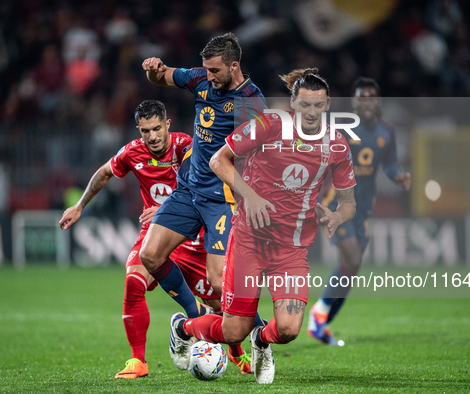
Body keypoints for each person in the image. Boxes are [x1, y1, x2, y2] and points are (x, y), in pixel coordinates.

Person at [168, 68, 357, 384]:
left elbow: (349, 202)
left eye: (319, 105)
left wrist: (337, 216)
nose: (312, 112)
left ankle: (262, 341)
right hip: (249, 243)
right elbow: (218, 160)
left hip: (291, 250)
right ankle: (183, 328)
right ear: (293, 103)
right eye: (305, 105)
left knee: (289, 329)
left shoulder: (336, 145)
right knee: (232, 331)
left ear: (327, 106)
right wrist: (250, 196)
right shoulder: (268, 125)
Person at [59, 100, 222, 379]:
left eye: (157, 128)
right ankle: (138, 361)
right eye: (146, 131)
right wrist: (80, 206)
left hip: (192, 235)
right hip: (155, 233)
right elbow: (104, 173)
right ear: (139, 129)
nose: (153, 136)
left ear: (168, 124)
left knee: (221, 305)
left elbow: (205, 184)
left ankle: (233, 347)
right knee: (133, 281)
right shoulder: (133, 152)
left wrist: (168, 207)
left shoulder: (186, 146)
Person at [140, 33, 266, 370]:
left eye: (214, 70)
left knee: (218, 283)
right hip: (187, 191)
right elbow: (163, 75)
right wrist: (153, 69)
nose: (208, 75)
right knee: (149, 255)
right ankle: (191, 319)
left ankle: (259, 335)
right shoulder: (199, 79)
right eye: (206, 69)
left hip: (222, 201)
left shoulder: (251, 103)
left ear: (234, 66)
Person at [308, 77, 411, 345]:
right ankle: (318, 314)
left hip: (362, 208)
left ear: (378, 102)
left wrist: (398, 176)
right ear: (354, 102)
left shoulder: (386, 132)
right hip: (335, 203)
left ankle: (322, 323)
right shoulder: (340, 128)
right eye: (361, 97)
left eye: (371, 97)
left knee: (350, 268)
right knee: (352, 259)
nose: (367, 102)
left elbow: (389, 164)